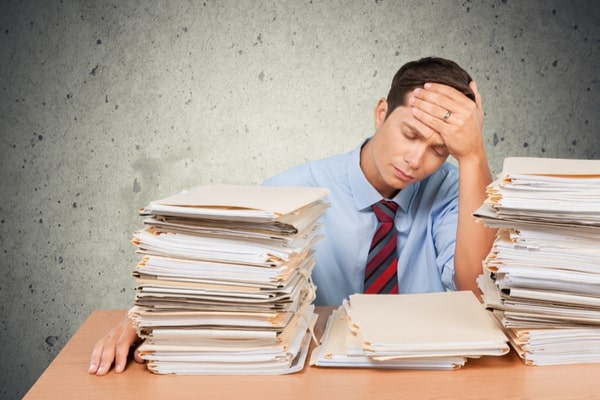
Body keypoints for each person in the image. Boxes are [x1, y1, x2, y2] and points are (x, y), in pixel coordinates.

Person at [88, 56, 496, 375]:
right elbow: (224, 273)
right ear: (381, 112)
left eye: (439, 150)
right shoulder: (295, 191)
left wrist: (473, 155)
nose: (416, 159)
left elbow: (478, 294)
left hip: (420, 374)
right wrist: (145, 316)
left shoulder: (452, 189)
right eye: (409, 134)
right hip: (311, 376)